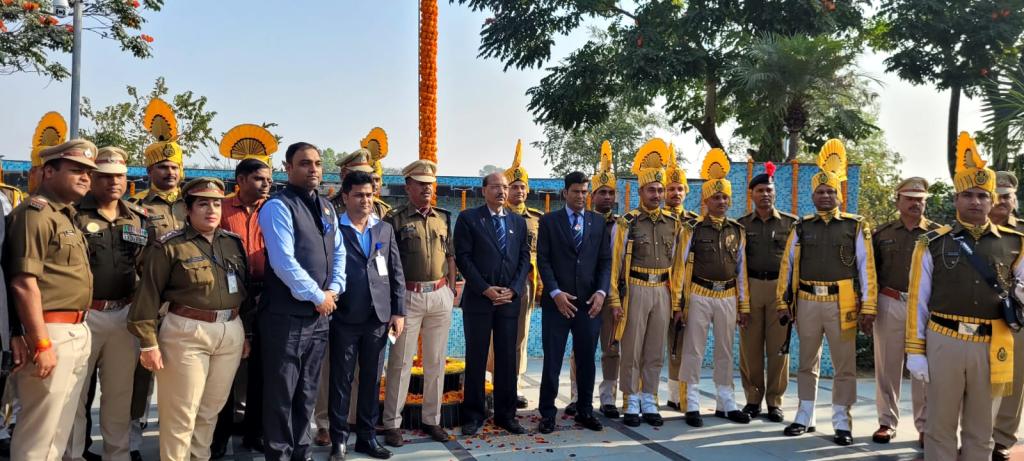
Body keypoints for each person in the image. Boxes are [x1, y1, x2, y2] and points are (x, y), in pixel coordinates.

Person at [905, 132, 1022, 461]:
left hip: (993, 341)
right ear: (956, 199)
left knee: (981, 428)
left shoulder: (1015, 243)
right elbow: (918, 300)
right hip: (945, 340)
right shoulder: (932, 242)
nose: (975, 202)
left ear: (992, 201)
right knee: (939, 424)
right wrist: (915, 350)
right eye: (968, 195)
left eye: (983, 196)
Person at [128, 178, 249, 461]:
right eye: (203, 204)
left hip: (230, 330)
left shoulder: (232, 243)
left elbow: (245, 292)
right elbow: (148, 296)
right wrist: (148, 344)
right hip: (186, 331)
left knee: (210, 411)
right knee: (181, 413)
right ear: (187, 209)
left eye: (216, 204)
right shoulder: (169, 246)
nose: (211, 210)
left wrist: (246, 335)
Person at [776, 139, 877, 446]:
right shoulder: (802, 226)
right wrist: (783, 301)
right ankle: (804, 415)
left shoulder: (854, 226)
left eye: (830, 191)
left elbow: (866, 267)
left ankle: (842, 422)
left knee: (844, 365)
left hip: (842, 300)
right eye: (820, 191)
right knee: (807, 361)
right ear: (813, 196)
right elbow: (787, 265)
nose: (825, 196)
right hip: (807, 299)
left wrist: (868, 306)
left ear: (839, 195)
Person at [5, 139, 97, 461]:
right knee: (38, 435)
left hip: (75, 329)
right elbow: (23, 282)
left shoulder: (64, 215)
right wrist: (41, 342)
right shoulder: (35, 214)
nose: (85, 177)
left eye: (88, 172)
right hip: (50, 332)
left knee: (58, 432)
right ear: (48, 171)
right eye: (76, 170)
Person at [258, 142, 345, 461]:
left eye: (318, 163)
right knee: (282, 392)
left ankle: (300, 451)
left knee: (307, 389)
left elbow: (339, 253)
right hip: (286, 316)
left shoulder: (326, 207)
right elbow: (284, 262)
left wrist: (334, 289)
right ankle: (279, 455)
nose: (314, 169)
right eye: (305, 163)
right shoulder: (277, 207)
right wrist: (317, 295)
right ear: (288, 167)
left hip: (319, 316)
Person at [66, 147, 148, 461]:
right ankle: (72, 455)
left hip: (123, 315)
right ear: (92, 178)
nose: (114, 183)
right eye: (105, 176)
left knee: (119, 395)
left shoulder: (136, 217)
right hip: (83, 316)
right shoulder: (73, 214)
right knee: (74, 395)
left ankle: (118, 455)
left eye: (119, 176)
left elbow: (144, 265)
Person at [328, 171, 406, 461]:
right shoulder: (333, 228)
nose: (366, 200)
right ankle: (338, 441)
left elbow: (396, 271)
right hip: (344, 317)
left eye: (370, 195)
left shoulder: (383, 229)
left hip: (378, 317)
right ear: (345, 196)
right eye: (359, 195)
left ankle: (367, 437)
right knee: (341, 381)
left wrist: (398, 311)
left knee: (372, 380)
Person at [380, 160, 457, 446]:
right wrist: (394, 300)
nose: (427, 188)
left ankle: (431, 420)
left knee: (436, 361)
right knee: (400, 362)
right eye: (421, 184)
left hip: (439, 294)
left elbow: (450, 255)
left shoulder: (443, 217)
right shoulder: (395, 219)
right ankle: (392, 423)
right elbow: (385, 262)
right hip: (407, 297)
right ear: (408, 186)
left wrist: (451, 289)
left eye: (430, 184)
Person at [607, 138, 683, 427]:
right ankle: (631, 398)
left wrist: (677, 301)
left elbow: (678, 266)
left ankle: (650, 397)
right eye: (652, 189)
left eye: (660, 190)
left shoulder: (673, 224)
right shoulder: (627, 222)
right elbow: (615, 263)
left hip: (662, 289)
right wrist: (615, 299)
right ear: (640, 191)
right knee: (632, 348)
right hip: (636, 288)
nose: (657, 194)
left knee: (654, 348)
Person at [675, 148, 751, 427]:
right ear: (705, 201)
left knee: (725, 350)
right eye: (716, 197)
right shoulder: (692, 229)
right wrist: (678, 303)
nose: (721, 201)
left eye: (725, 197)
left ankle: (726, 402)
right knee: (693, 350)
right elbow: (680, 267)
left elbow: (741, 269)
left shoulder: (737, 230)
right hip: (699, 293)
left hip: (728, 295)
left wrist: (743, 304)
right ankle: (692, 403)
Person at [129, 99, 187, 459]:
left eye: (174, 166)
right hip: (151, 302)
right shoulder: (138, 209)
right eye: (162, 167)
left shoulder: (193, 204)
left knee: (180, 373)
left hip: (185, 304)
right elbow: (133, 257)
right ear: (150, 170)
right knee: (141, 373)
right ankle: (133, 437)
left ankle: (175, 435)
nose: (169, 172)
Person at [454, 172, 531, 436]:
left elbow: (524, 258)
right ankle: (473, 414)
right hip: (479, 299)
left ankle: (506, 415)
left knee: (507, 358)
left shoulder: (518, 222)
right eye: (496, 186)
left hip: (508, 300)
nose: (502, 191)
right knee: (476, 357)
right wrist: (485, 289)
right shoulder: (469, 218)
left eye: (505, 187)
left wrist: (514, 289)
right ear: (484, 190)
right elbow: (463, 258)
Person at [535, 171, 611, 434]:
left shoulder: (598, 222)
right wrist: (555, 292)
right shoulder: (549, 221)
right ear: (565, 192)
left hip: (588, 304)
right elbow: (543, 259)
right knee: (552, 361)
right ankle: (547, 413)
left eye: (584, 192)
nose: (581, 196)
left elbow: (605, 261)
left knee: (587, 360)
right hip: (558, 304)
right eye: (576, 191)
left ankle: (585, 410)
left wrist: (601, 292)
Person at [210, 150, 275, 456]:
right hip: (228, 294)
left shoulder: (274, 210)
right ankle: (219, 434)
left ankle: (254, 432)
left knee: (261, 366)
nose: (266, 184)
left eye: (269, 180)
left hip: (266, 294)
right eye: (259, 179)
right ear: (241, 180)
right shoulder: (221, 208)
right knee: (225, 368)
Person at [868, 177, 937, 446]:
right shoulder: (882, 234)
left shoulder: (938, 234)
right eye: (909, 199)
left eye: (920, 200)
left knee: (924, 368)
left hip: (925, 306)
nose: (915, 204)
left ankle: (925, 426)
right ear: (897, 201)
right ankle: (886, 422)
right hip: (890, 301)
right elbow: (870, 272)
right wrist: (867, 307)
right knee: (887, 365)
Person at [736, 161, 796, 423]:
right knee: (750, 348)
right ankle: (752, 399)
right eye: (760, 190)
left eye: (769, 190)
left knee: (779, 349)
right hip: (750, 288)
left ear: (775, 193)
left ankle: (774, 401)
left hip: (779, 291)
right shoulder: (741, 225)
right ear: (752, 194)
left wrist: (793, 298)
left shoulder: (791, 224)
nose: (765, 194)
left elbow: (796, 262)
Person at [567, 141, 620, 418]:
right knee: (581, 348)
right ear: (592, 196)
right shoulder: (581, 222)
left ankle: (608, 397)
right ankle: (577, 396)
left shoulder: (623, 225)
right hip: (586, 294)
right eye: (602, 193)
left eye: (611, 193)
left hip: (612, 295)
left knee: (611, 348)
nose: (607, 198)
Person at [489, 140, 543, 410]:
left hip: (526, 284)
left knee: (520, 334)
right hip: (500, 283)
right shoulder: (496, 216)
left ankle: (515, 384)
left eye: (523, 187)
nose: (519, 191)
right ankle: (494, 382)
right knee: (495, 336)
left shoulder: (537, 218)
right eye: (514, 186)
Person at [662, 145, 698, 411]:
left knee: (681, 344)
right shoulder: (654, 219)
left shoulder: (696, 223)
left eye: (679, 189)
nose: (675, 193)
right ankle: (644, 397)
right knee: (650, 346)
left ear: (686, 192)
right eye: (670, 189)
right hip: (655, 288)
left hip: (686, 291)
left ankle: (677, 396)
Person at [991, 170, 1024, 461]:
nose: (1001, 201)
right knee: (977, 378)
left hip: (1018, 316)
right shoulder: (970, 231)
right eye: (996, 196)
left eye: (1007, 196)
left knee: (1013, 379)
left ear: (1015, 200)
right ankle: (976, 434)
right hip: (977, 314)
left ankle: (1002, 438)